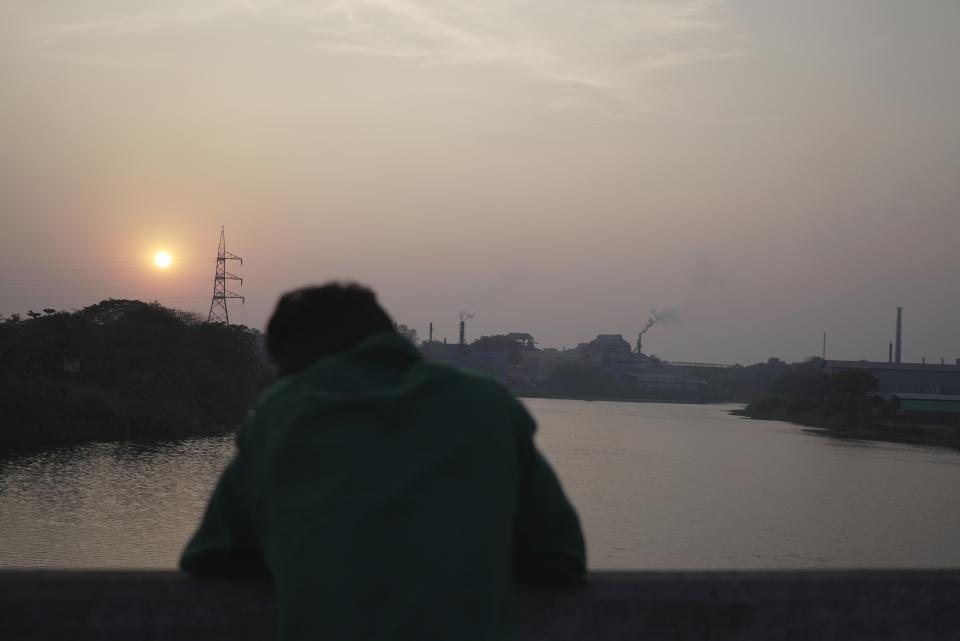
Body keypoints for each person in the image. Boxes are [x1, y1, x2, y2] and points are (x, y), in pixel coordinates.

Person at [180, 283, 585, 641]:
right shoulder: (488, 404)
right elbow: (560, 555)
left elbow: (213, 554)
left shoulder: (283, 412)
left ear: (297, 367)